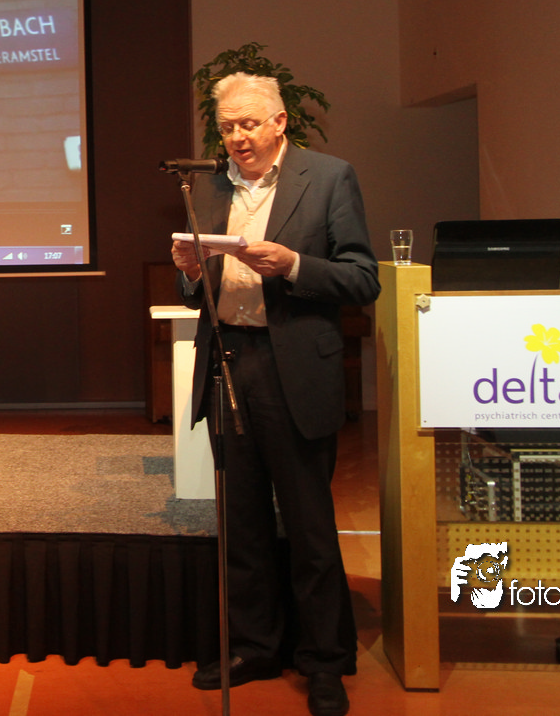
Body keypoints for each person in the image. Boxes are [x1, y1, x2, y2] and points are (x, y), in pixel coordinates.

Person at [170, 72, 379, 716]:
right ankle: (254, 647)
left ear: (280, 122)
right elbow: (196, 292)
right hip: (228, 363)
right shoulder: (210, 186)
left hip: (295, 369)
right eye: (227, 127)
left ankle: (324, 660)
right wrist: (190, 272)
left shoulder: (330, 177)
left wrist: (292, 265)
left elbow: (362, 278)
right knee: (243, 524)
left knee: (309, 525)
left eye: (248, 124)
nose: (237, 138)